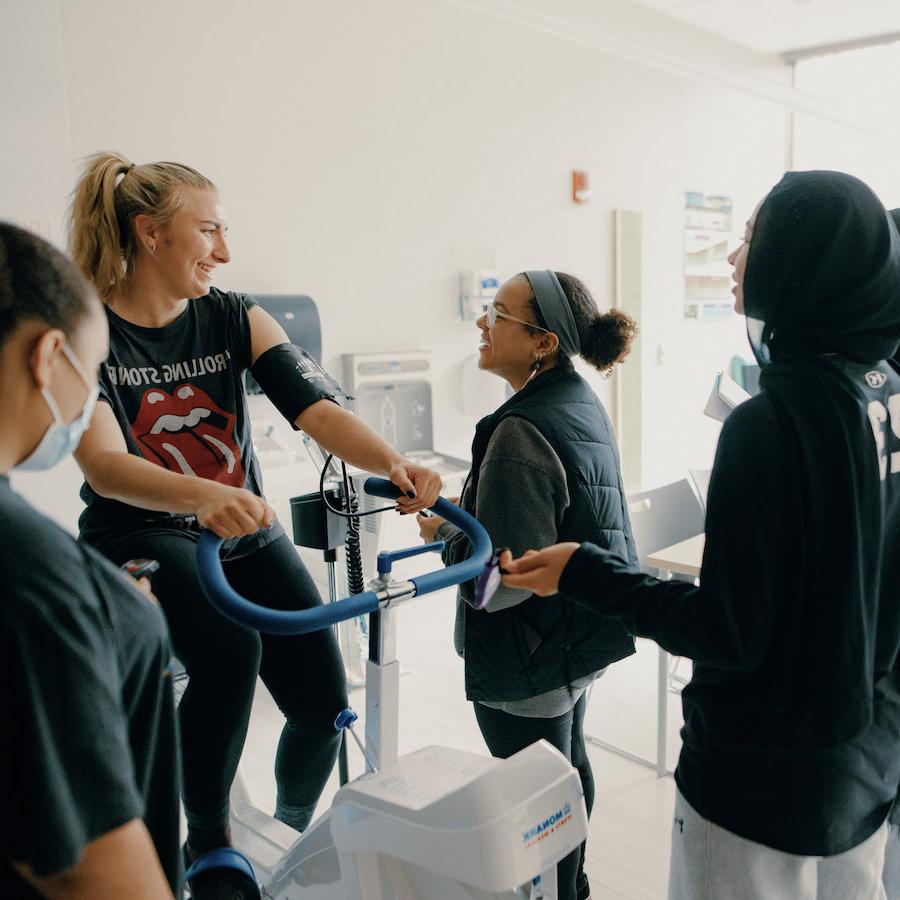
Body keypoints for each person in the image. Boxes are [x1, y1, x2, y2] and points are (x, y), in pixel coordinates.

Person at [502, 172, 900, 900]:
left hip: (760, 779)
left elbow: (730, 631)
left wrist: (585, 573)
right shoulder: (882, 399)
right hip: (867, 758)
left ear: (799, 259)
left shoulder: (771, 424)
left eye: (753, 238)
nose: (732, 257)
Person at [67, 152, 442, 889]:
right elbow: (105, 465)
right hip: (143, 532)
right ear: (150, 234)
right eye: (208, 231)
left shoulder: (236, 316)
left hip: (243, 526)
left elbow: (317, 410)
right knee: (229, 651)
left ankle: (294, 834)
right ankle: (207, 844)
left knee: (322, 700)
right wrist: (201, 496)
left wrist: (395, 464)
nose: (225, 251)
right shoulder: (91, 332)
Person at [418, 270, 638, 900]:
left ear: (542, 341)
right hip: (581, 631)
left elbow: (504, 581)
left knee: (538, 798)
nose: (482, 323)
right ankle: (576, 887)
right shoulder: (576, 399)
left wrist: (446, 538)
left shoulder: (517, 431)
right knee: (567, 773)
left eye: (498, 312)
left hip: (531, 651)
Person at [0, 223, 180, 897]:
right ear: (48, 357)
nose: (88, 407)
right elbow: (90, 870)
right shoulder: (36, 584)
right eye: (92, 374)